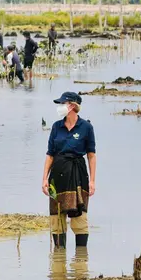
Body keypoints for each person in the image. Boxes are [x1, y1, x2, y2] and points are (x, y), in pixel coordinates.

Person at [42, 92, 96, 248]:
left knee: (80, 217)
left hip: (78, 174)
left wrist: (92, 180)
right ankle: (59, 260)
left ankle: (81, 259)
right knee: (57, 216)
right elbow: (50, 154)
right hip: (58, 174)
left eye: (62, 104)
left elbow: (91, 156)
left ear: (72, 106)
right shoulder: (56, 127)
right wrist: (44, 178)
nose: (60, 107)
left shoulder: (86, 127)